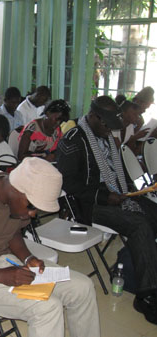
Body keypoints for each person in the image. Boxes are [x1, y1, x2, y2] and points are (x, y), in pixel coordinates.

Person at [0, 157, 100, 337]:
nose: (32, 213)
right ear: (16, 190)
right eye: (31, 206)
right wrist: (0, 276)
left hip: (8, 262)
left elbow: (12, 232)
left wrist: (28, 258)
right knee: (47, 307)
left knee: (83, 286)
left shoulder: (17, 201)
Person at [55, 96, 157, 325]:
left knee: (153, 213)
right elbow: (66, 183)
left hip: (115, 192)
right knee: (139, 224)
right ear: (93, 117)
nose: (110, 130)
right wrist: (103, 196)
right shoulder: (74, 139)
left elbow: (116, 170)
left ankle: (135, 269)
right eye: (107, 125)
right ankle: (146, 295)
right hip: (89, 204)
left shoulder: (105, 135)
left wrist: (129, 190)